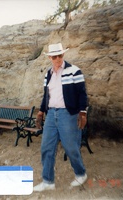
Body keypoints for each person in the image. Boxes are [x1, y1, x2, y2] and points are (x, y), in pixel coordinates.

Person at [33, 43, 88, 192]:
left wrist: (83, 112)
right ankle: (48, 181)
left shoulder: (74, 71)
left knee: (70, 147)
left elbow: (82, 93)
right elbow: (46, 95)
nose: (58, 59)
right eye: (54, 56)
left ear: (63, 55)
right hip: (51, 114)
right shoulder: (48, 74)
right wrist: (40, 112)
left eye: (60, 55)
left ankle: (81, 173)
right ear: (50, 57)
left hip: (68, 114)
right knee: (46, 147)